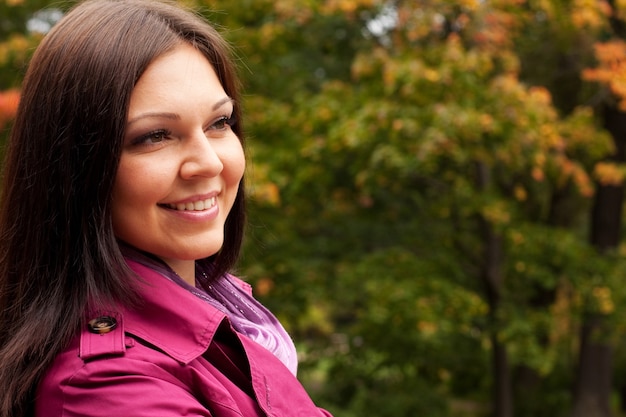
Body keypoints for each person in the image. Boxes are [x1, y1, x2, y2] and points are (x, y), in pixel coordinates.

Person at [0, 1, 333, 416]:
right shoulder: (107, 388)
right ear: (76, 169)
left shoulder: (230, 322)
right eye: (156, 135)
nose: (209, 162)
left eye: (219, 123)